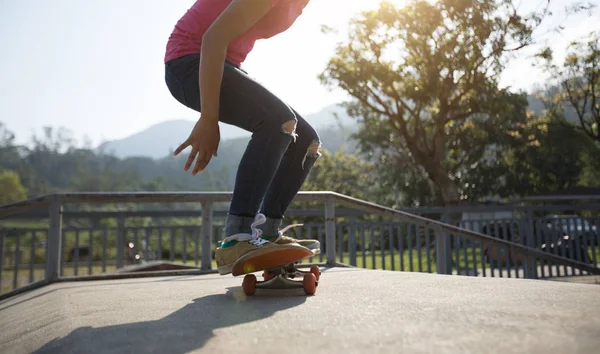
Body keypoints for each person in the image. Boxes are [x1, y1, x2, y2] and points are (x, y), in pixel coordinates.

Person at [164, 0, 322, 275]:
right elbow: (212, 40)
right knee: (277, 121)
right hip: (190, 60)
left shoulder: (296, 7)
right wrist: (208, 119)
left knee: (305, 141)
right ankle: (236, 238)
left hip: (225, 63)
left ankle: (267, 233)